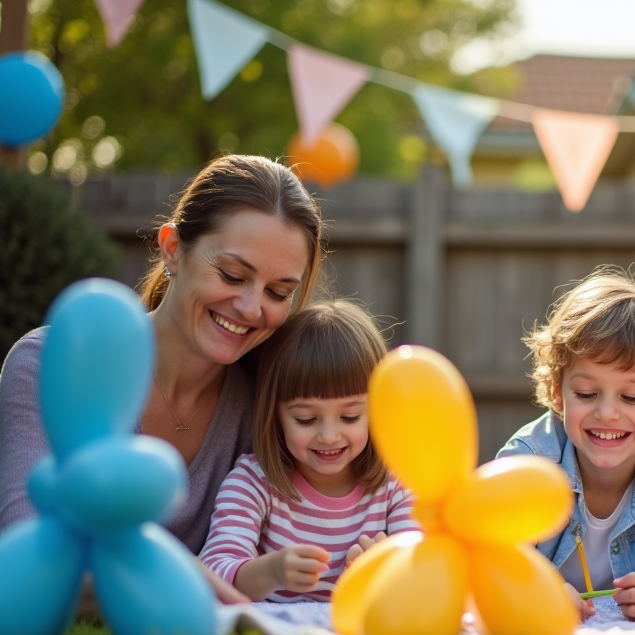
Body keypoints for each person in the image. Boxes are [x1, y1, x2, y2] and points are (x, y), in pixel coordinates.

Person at [0, 154, 326, 604]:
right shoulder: (51, 364)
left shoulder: (267, 407)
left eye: (277, 292)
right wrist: (170, 572)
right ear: (173, 249)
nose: (252, 308)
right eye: (232, 275)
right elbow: (25, 558)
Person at [497, 267, 635, 623]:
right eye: (587, 393)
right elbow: (495, 555)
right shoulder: (528, 461)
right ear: (558, 392)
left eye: (631, 397)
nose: (606, 413)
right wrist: (538, 590)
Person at [199, 300, 416, 602]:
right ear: (275, 414)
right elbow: (213, 573)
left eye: (350, 417)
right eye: (306, 419)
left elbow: (422, 570)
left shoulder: (396, 486)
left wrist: (388, 569)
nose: (329, 436)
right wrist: (271, 571)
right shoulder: (253, 483)